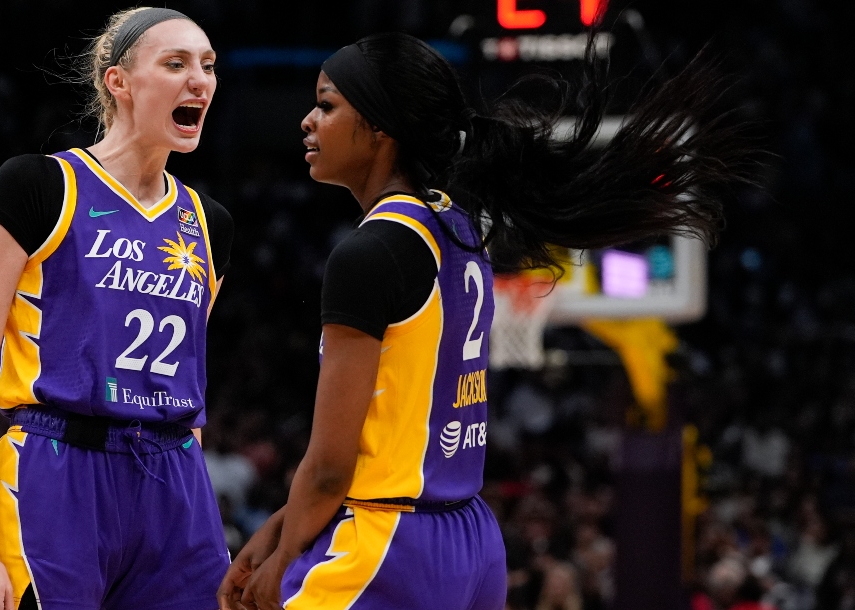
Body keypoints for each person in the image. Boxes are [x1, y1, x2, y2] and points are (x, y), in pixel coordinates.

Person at [218, 31, 756, 610]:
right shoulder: (459, 228)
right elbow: (385, 442)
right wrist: (277, 528)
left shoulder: (368, 254)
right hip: (471, 540)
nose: (307, 121)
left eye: (326, 105)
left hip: (389, 545)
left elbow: (329, 466)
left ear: (380, 128)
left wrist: (283, 559)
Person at [0, 7, 233, 610]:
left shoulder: (210, 224)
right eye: (174, 64)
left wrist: (191, 502)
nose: (198, 80)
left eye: (206, 66)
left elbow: (189, 378)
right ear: (117, 82)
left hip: (173, 476)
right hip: (55, 469)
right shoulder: (38, 186)